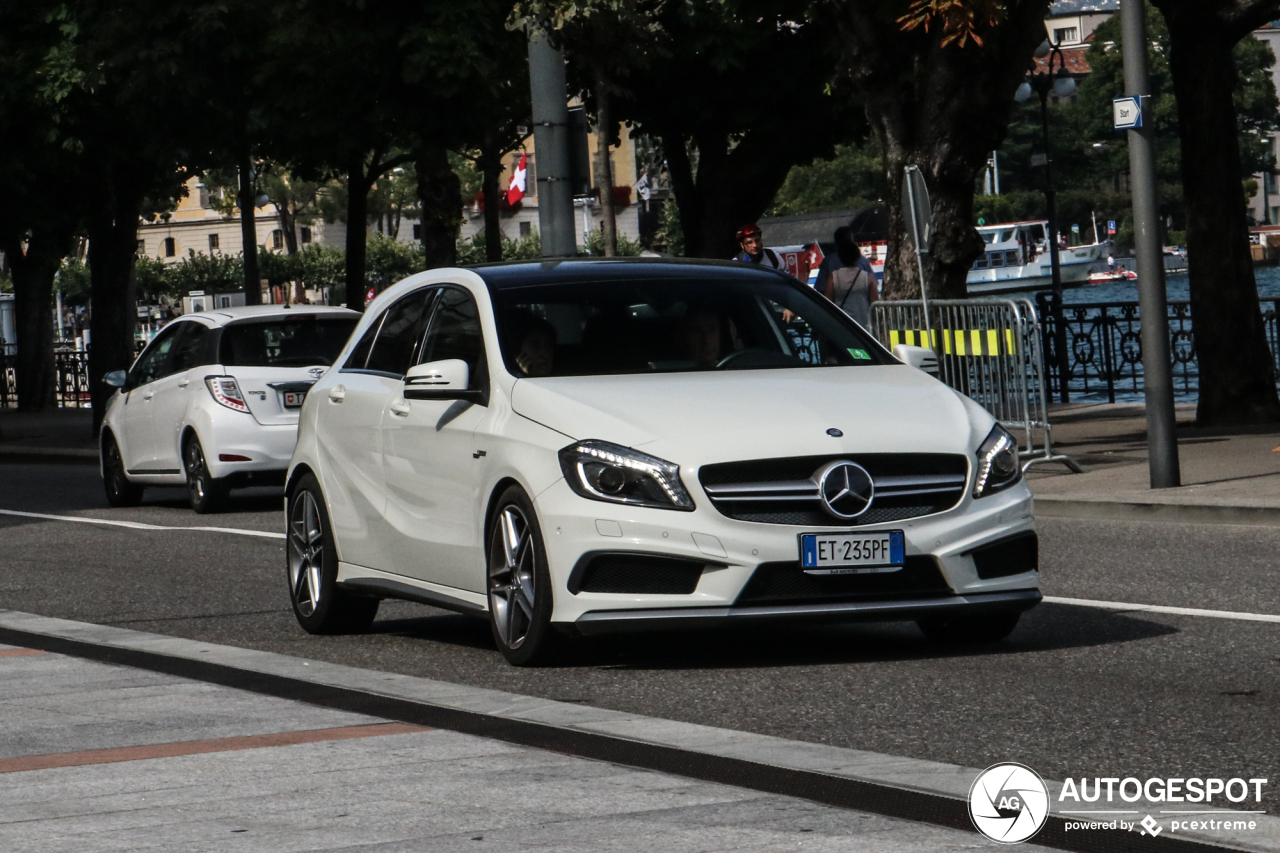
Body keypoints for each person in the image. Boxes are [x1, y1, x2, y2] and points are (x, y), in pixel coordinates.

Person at [825, 240, 878, 327]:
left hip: (842, 324)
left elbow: (828, 302)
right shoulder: (867, 277)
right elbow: (875, 303)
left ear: (841, 258)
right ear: (858, 257)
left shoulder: (833, 277)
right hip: (864, 324)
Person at [814, 226, 874, 294]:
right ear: (852, 240)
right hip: (862, 303)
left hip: (835, 304)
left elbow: (821, 289)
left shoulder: (828, 261)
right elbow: (873, 288)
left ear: (836, 241)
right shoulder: (863, 261)